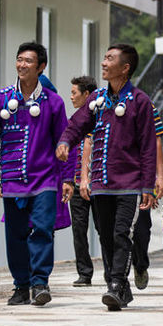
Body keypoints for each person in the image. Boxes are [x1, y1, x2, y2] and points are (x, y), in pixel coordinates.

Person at [56, 43, 156, 311]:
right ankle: (119, 286)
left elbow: (148, 146)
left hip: (130, 184)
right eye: (104, 57)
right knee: (106, 236)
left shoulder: (140, 102)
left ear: (125, 68)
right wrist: (66, 141)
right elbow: (78, 123)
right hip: (101, 184)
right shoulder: (97, 99)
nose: (103, 62)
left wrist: (148, 184)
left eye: (109, 59)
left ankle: (115, 284)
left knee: (123, 234)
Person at [0, 42, 74, 307]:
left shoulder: (53, 102)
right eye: (19, 59)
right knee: (16, 235)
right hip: (11, 179)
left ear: (41, 67)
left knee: (42, 229)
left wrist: (67, 178)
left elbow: (64, 142)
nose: (22, 65)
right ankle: (21, 285)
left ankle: (40, 283)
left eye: (28, 61)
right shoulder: (3, 98)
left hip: (44, 179)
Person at [64, 75, 99, 286]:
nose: (71, 97)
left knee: (104, 229)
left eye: (74, 92)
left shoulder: (103, 119)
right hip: (77, 184)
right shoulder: (74, 123)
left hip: (100, 184)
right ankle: (84, 273)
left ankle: (113, 272)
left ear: (87, 95)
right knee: (78, 229)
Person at [130, 107, 163, 290]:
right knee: (111, 228)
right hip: (112, 177)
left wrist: (159, 177)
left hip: (140, 177)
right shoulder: (102, 102)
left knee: (141, 229)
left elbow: (156, 142)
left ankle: (140, 265)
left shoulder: (146, 106)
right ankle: (115, 275)